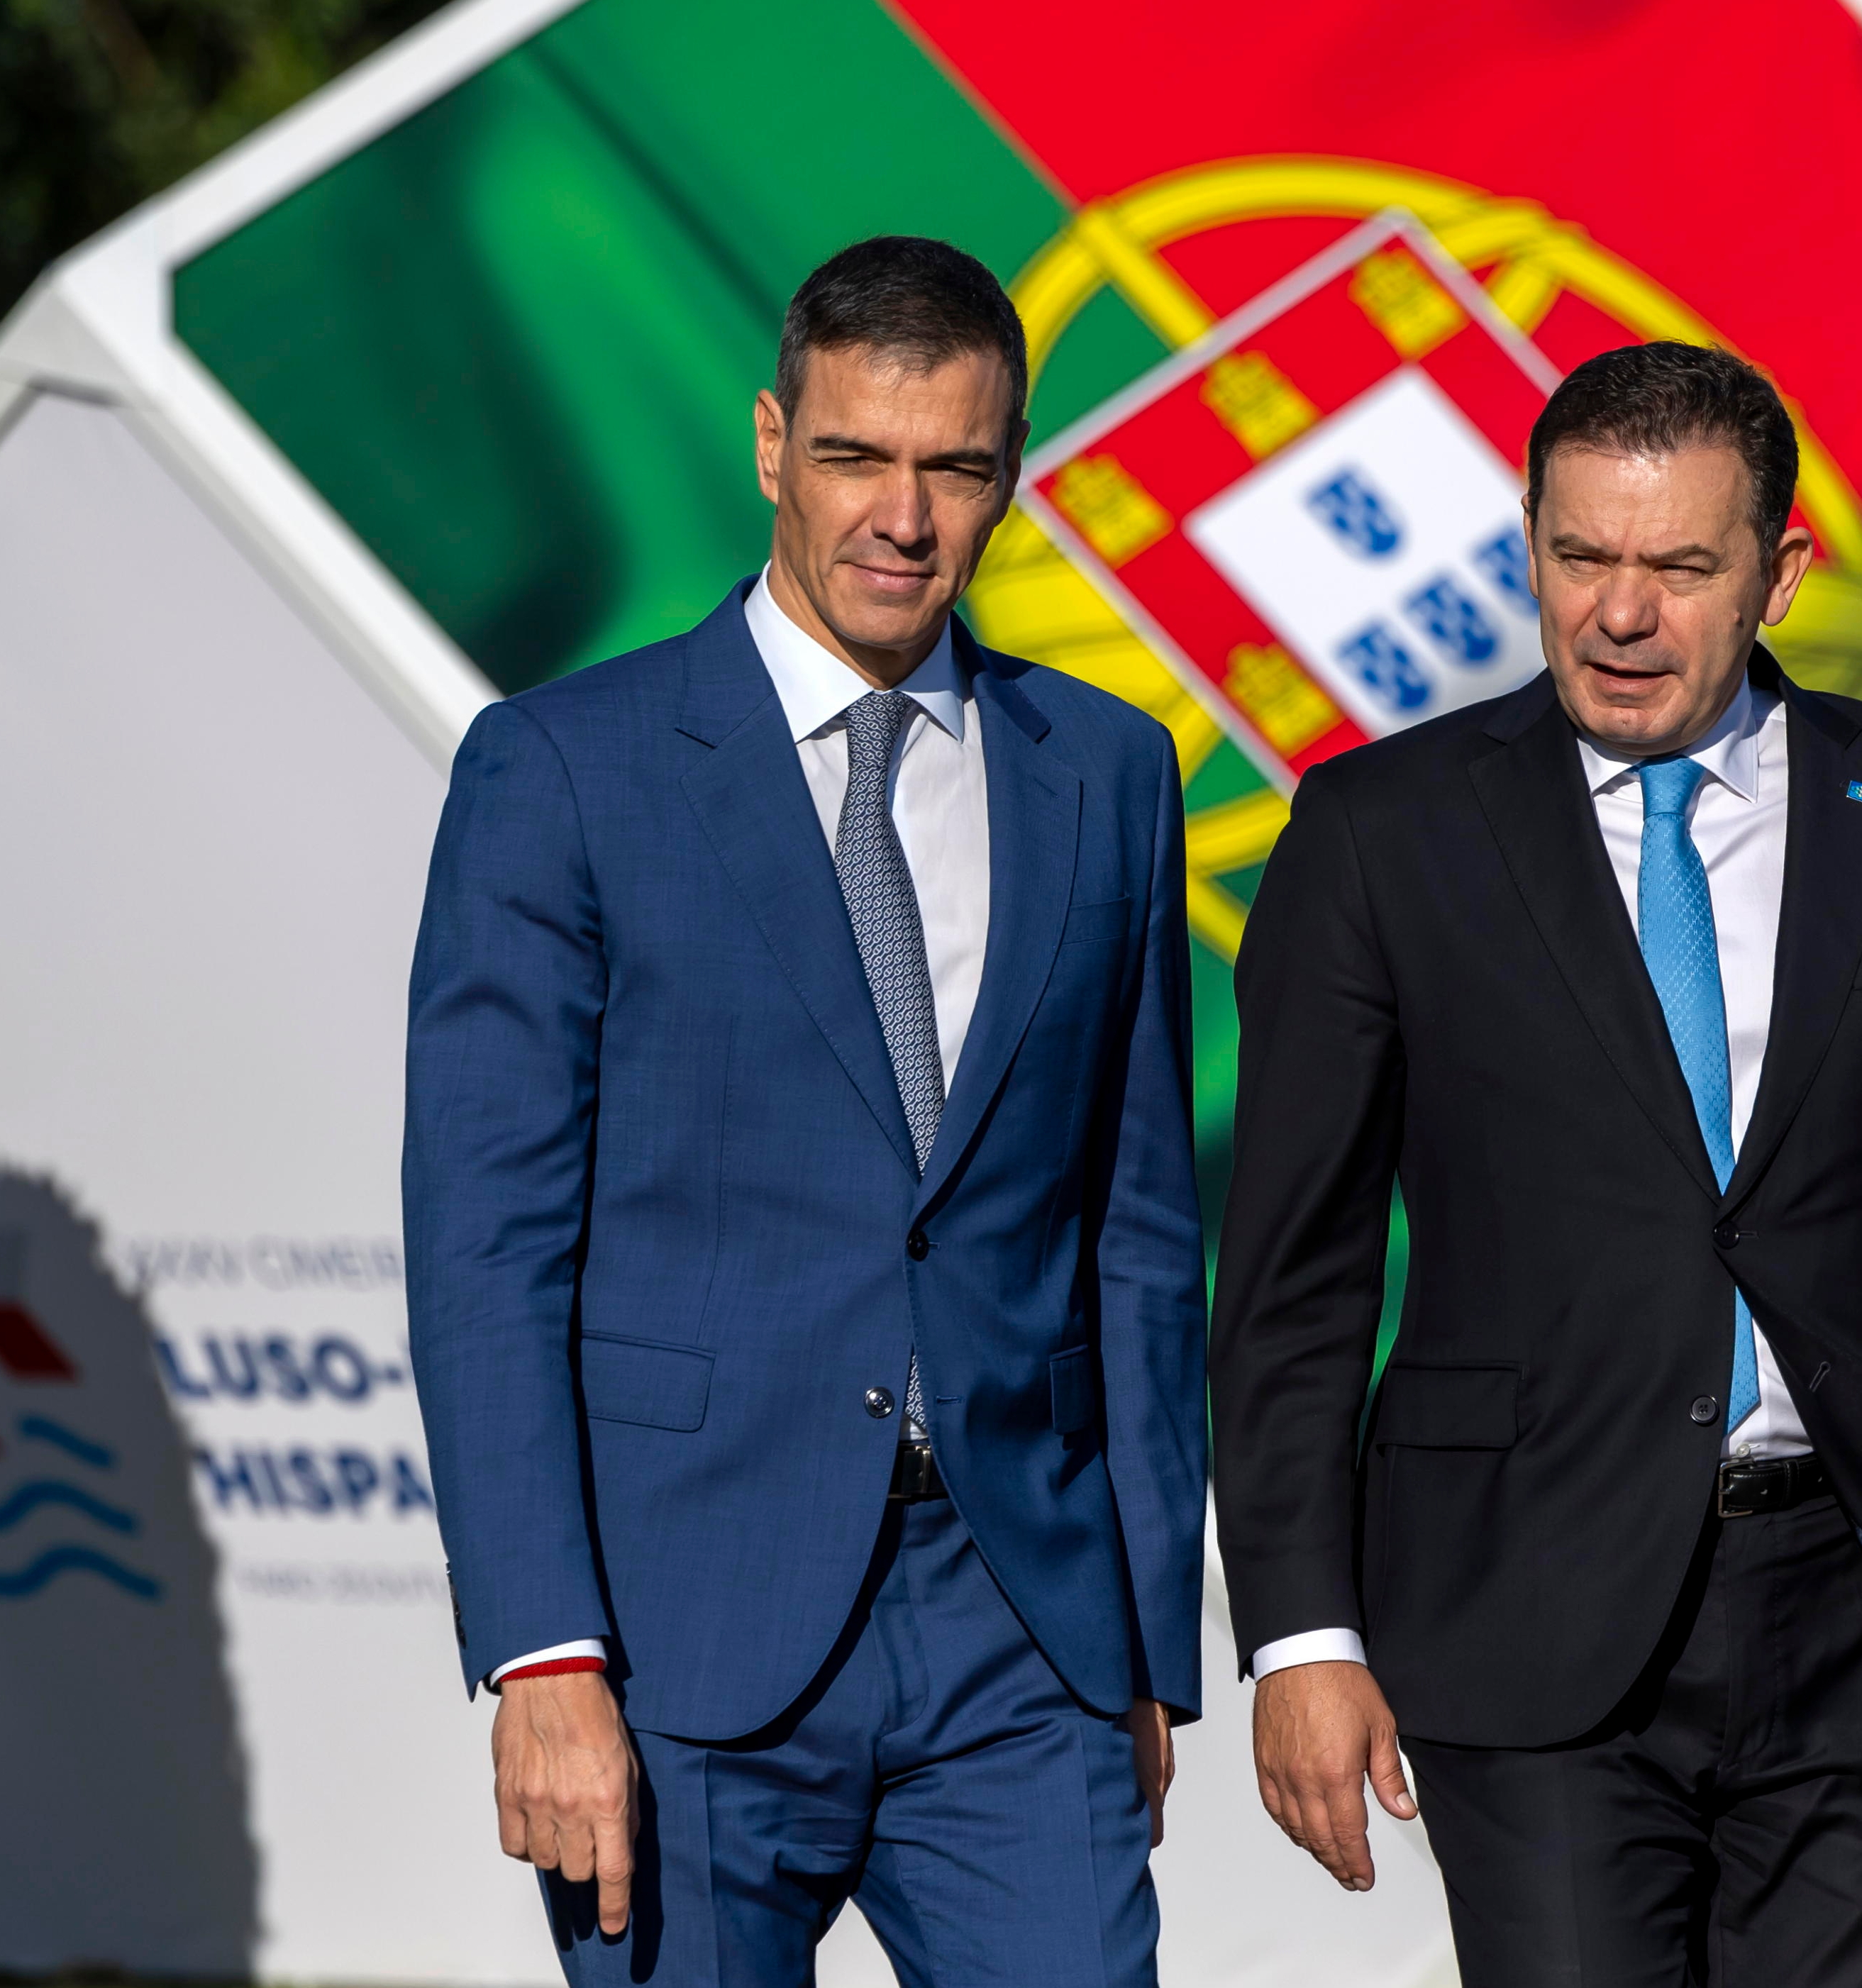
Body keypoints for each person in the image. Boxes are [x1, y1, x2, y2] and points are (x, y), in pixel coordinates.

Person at [1212, 341, 1862, 1986]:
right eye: (1580, 557)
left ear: (1779, 571)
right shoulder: (1379, 836)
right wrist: (1302, 1634)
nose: (1620, 614)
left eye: (1678, 567)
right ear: (1527, 548)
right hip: (1517, 1601)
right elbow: (1291, 1278)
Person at [403, 235, 1205, 1988]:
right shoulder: (562, 772)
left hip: (1024, 1636)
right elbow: (486, 1250)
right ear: (772, 442)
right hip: (678, 1632)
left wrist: (1143, 1627)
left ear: (1012, 474)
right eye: (854, 454)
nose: (900, 516)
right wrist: (541, 1655)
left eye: (953, 468)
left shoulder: (1109, 775)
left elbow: (1135, 1229)